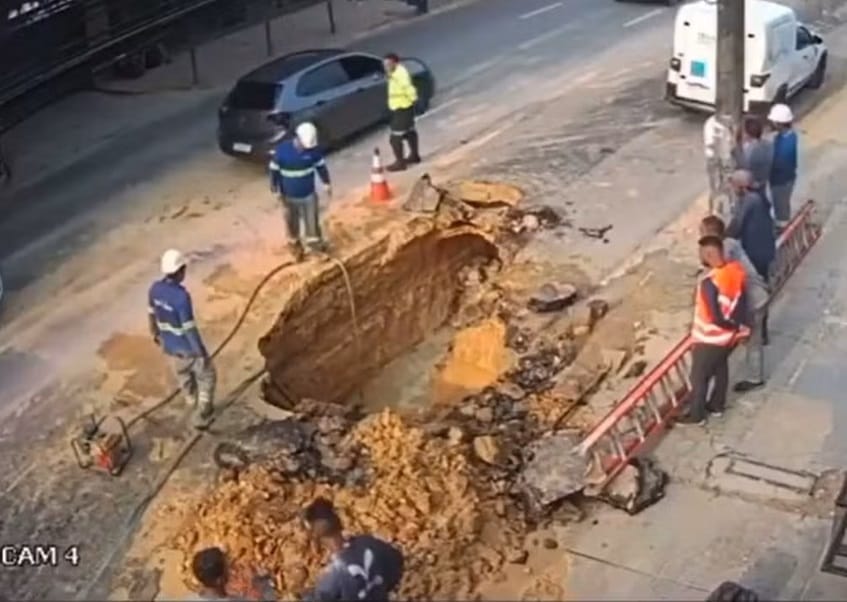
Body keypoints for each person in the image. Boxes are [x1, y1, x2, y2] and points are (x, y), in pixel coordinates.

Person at [677, 236, 749, 426]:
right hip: (728, 338)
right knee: (720, 369)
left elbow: (714, 316)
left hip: (708, 338)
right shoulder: (736, 271)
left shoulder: (709, 283)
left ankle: (696, 415)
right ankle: (717, 405)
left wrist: (728, 326)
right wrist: (737, 328)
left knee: (698, 377)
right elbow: (741, 303)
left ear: (708, 255)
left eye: (702, 253)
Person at [700, 215, 769, 393]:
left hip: (752, 302)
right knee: (755, 334)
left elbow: (717, 273)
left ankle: (755, 378)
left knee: (751, 341)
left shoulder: (725, 251)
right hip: (759, 294)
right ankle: (760, 339)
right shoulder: (730, 242)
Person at [148, 249, 215, 430]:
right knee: (207, 376)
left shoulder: (154, 290)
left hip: (170, 349)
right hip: (187, 349)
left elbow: (152, 315)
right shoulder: (181, 297)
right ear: (180, 271)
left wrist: (155, 334)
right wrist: (199, 352)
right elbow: (188, 328)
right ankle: (202, 413)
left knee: (184, 378)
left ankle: (191, 403)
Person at [301, 498, 404, 601]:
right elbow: (397, 562)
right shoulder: (368, 542)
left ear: (317, 536)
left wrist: (306, 596)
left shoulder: (333, 576)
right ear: (339, 523)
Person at [269, 122, 331, 259]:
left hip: (309, 195)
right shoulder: (282, 152)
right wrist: (274, 189)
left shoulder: (313, 152)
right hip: (288, 196)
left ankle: (316, 250)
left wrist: (326, 182)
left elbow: (321, 167)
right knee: (292, 224)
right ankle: (296, 251)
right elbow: (273, 171)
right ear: (297, 138)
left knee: (312, 224)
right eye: (303, 146)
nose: (305, 149)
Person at [726, 169, 776, 284]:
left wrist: (723, 235)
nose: (733, 190)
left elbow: (737, 225)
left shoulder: (750, 201)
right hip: (766, 246)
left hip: (755, 252)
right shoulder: (759, 196)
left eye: (734, 186)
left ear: (741, 187)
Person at [383, 53, 420, 172]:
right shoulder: (395, 73)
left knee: (395, 138)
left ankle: (400, 163)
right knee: (410, 132)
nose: (386, 67)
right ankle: (414, 156)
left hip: (402, 108)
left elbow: (408, 88)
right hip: (401, 107)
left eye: (389, 64)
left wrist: (415, 101)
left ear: (396, 63)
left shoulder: (400, 74)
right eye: (384, 65)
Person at [768, 103, 798, 230]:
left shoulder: (785, 145)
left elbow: (778, 165)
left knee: (781, 208)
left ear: (779, 123)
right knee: (782, 205)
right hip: (785, 179)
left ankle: (783, 229)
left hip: (781, 181)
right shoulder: (789, 136)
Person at [734, 116, 773, 195]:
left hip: (751, 190)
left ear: (746, 133)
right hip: (761, 187)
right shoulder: (768, 145)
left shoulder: (745, 152)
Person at [703, 113, 729, 207]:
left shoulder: (726, 122)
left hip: (723, 158)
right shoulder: (711, 124)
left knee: (725, 185)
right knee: (714, 186)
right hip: (714, 158)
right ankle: (713, 209)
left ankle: (720, 207)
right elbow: (710, 144)